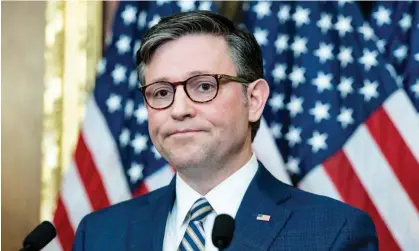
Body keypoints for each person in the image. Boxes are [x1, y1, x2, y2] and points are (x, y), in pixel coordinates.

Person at [72, 11, 378, 251]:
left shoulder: (333, 233)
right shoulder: (99, 234)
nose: (179, 109)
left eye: (204, 86)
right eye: (162, 92)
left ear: (254, 99)